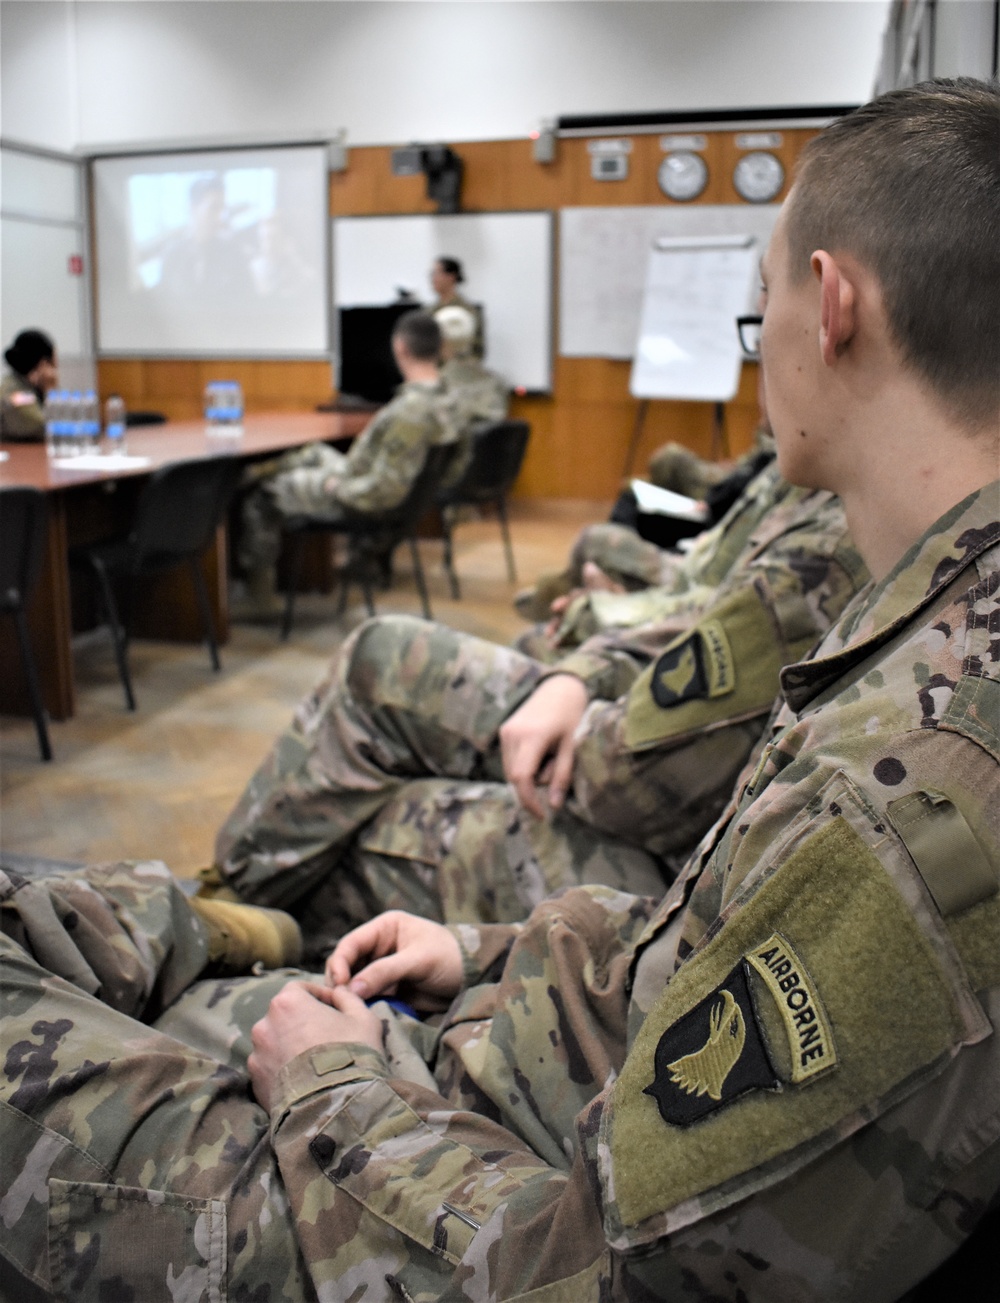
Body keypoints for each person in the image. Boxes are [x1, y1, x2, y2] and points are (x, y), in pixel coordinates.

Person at [0, 79, 996, 1302]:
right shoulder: (934, 616)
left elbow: (612, 1272)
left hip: (434, 1192)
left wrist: (339, 1087)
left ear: (831, 307)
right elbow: (700, 957)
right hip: (491, 1080)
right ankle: (197, 932)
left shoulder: (922, 791)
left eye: (761, 307)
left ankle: (201, 928)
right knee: (71, 926)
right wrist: (480, 951)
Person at [212, 449, 865, 955]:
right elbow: (706, 612)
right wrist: (584, 668)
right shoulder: (873, 508)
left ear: (829, 313)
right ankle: (228, 914)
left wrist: (587, 662)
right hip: (714, 853)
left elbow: (626, 779)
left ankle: (216, 916)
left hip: (674, 897)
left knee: (380, 709)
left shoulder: (833, 545)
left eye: (765, 309)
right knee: (379, 747)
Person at [237, 309, 456, 616]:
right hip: (371, 482)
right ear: (439, 348)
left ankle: (259, 599)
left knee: (263, 494)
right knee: (312, 451)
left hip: (360, 497)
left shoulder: (411, 411)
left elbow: (383, 491)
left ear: (400, 348)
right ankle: (248, 475)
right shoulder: (447, 401)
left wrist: (334, 486)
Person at [434, 303, 509, 488]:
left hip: (453, 474)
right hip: (489, 473)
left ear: (440, 341)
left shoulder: (440, 384)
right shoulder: (495, 382)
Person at [0, 328, 57, 441]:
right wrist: (50, 390)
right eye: (52, 363)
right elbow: (46, 428)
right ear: (43, 363)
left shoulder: (23, 386)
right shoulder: (17, 392)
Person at [428, 254, 485, 357]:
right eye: (432, 274)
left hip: (460, 368)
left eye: (436, 273)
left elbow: (477, 349)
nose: (433, 279)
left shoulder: (468, 311)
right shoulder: (428, 312)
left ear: (451, 276)